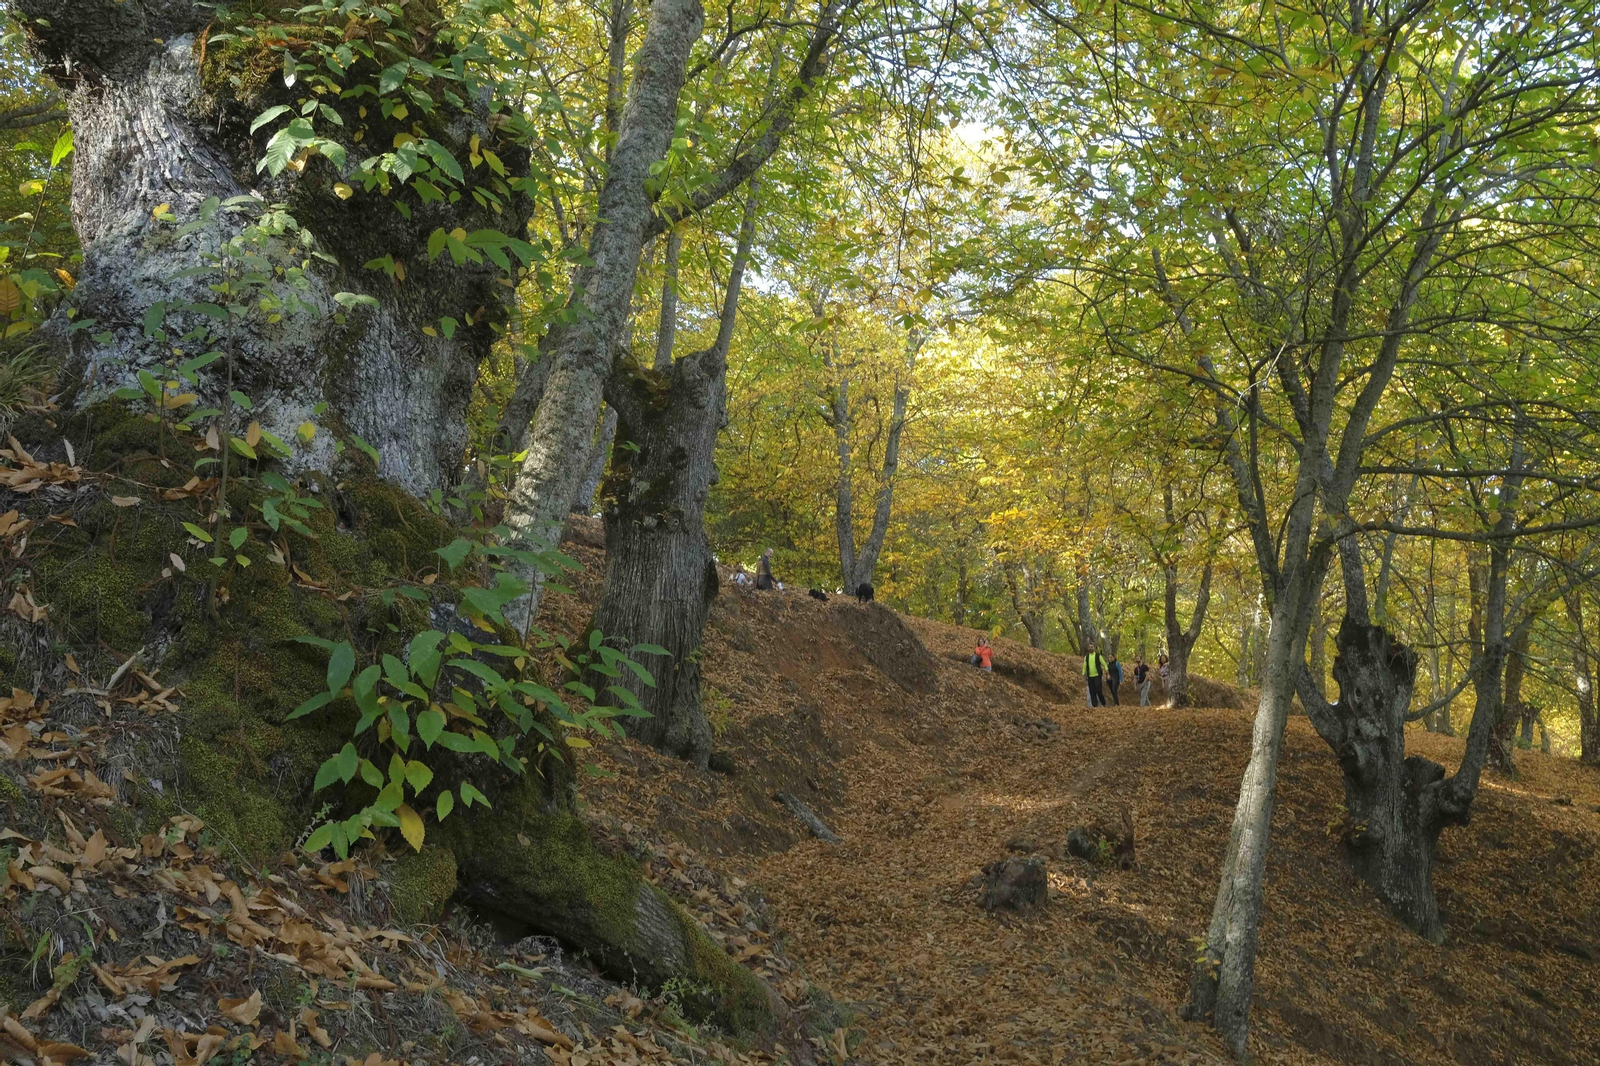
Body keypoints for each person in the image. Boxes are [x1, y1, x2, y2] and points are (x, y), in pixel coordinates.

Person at [1084, 642, 1108, 707]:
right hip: (1090, 676)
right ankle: (1095, 706)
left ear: (1094, 648)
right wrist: (1083, 674)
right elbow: (1085, 666)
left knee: (1098, 690)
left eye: (1092, 647)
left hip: (1097, 676)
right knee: (1092, 692)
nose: (1090, 648)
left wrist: (1106, 670)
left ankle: (1103, 703)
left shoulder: (1098, 656)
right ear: (1088, 648)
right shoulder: (1086, 657)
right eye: (1089, 647)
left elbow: (1104, 664)